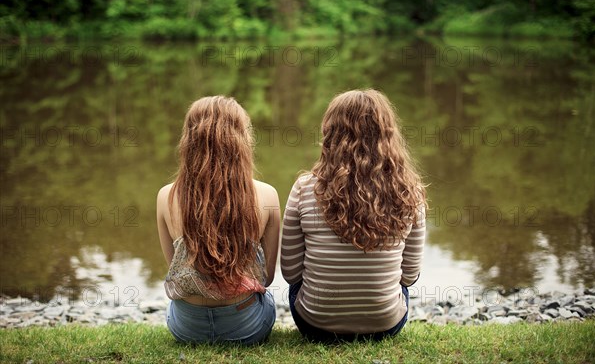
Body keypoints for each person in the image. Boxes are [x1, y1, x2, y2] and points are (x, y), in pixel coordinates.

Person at [281, 89, 427, 343]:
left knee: (299, 287)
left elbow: (291, 274)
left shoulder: (304, 189)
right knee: (398, 286)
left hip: (316, 326)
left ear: (330, 134)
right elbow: (409, 276)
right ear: (387, 135)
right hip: (385, 326)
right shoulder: (409, 192)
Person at [157, 96, 280, 345]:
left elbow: (177, 270)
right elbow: (266, 278)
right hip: (245, 327)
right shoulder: (267, 194)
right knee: (267, 300)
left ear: (189, 141)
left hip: (187, 328)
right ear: (241, 140)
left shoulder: (166, 196)